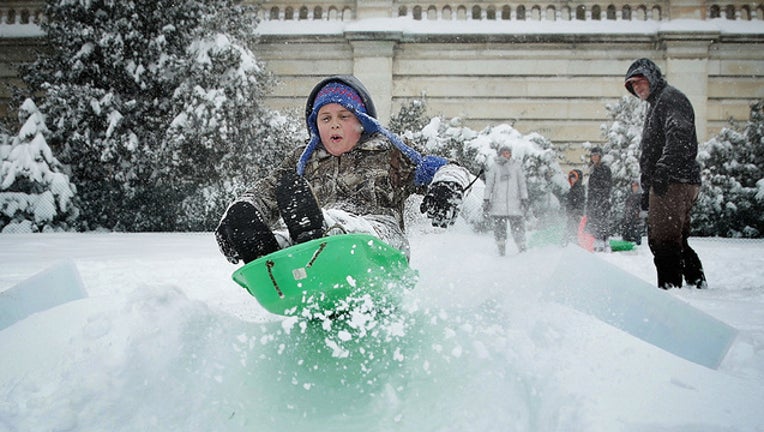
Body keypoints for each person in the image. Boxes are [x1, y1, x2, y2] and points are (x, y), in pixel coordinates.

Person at [213, 75, 472, 265]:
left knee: (341, 227)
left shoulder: (388, 153)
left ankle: (319, 231)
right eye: (325, 118)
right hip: (311, 246)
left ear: (362, 121)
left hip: (379, 242)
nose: (334, 125)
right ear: (316, 126)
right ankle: (268, 252)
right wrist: (240, 216)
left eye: (344, 117)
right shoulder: (304, 160)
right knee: (287, 208)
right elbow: (266, 191)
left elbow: (443, 167)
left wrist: (446, 185)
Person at [625, 58, 706, 289]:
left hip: (674, 180)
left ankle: (670, 291)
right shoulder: (657, 103)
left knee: (663, 241)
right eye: (633, 84)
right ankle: (696, 283)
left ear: (653, 78)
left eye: (641, 81)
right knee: (674, 238)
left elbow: (679, 136)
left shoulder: (670, 99)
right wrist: (647, 186)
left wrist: (663, 169)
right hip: (670, 180)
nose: (638, 87)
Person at [482, 145, 529, 255]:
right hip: (499, 204)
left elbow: (522, 184)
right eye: (504, 153)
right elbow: (489, 185)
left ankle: (522, 248)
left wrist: (524, 198)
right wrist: (486, 199)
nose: (506, 155)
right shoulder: (495, 167)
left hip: (514, 204)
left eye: (508, 153)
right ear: (500, 154)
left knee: (518, 228)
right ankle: (501, 249)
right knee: (499, 229)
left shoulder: (516, 167)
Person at [585, 146, 612, 251]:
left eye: (596, 155)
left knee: (601, 222)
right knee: (594, 222)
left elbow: (607, 186)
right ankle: (597, 242)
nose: (594, 157)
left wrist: (602, 198)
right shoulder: (593, 169)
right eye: (592, 155)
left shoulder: (604, 169)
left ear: (600, 156)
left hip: (601, 200)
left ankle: (603, 243)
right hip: (593, 201)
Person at [564, 169, 585, 244]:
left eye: (574, 178)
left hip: (575, 216)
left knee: (574, 232)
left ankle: (573, 244)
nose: (572, 180)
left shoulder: (578, 189)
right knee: (570, 231)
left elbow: (580, 203)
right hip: (571, 215)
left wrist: (576, 212)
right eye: (571, 178)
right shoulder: (572, 189)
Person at [620, 179, 644, 245]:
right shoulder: (629, 197)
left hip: (636, 220)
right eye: (633, 186)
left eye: (636, 185)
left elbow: (642, 209)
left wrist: (637, 214)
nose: (634, 187)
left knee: (635, 234)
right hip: (628, 220)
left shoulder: (641, 197)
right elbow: (626, 209)